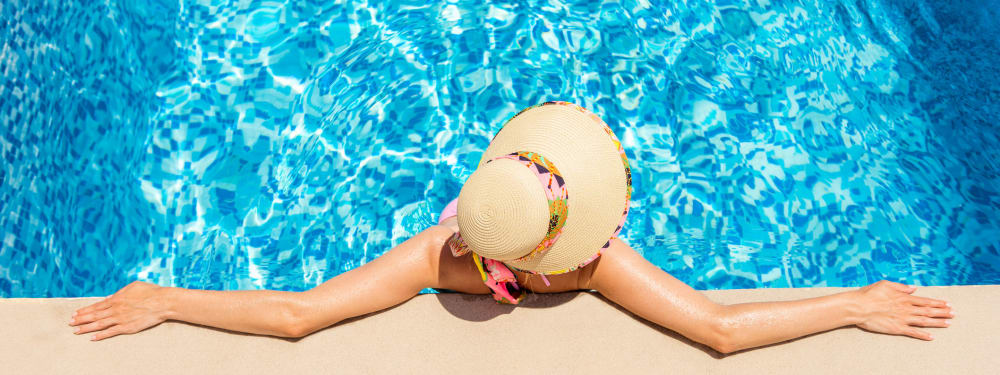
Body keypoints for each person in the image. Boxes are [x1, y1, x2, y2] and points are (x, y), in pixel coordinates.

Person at [68, 102, 954, 354]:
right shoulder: (590, 266)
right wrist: (853, 304)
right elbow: (718, 332)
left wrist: (166, 298)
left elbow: (301, 313)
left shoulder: (441, 254)